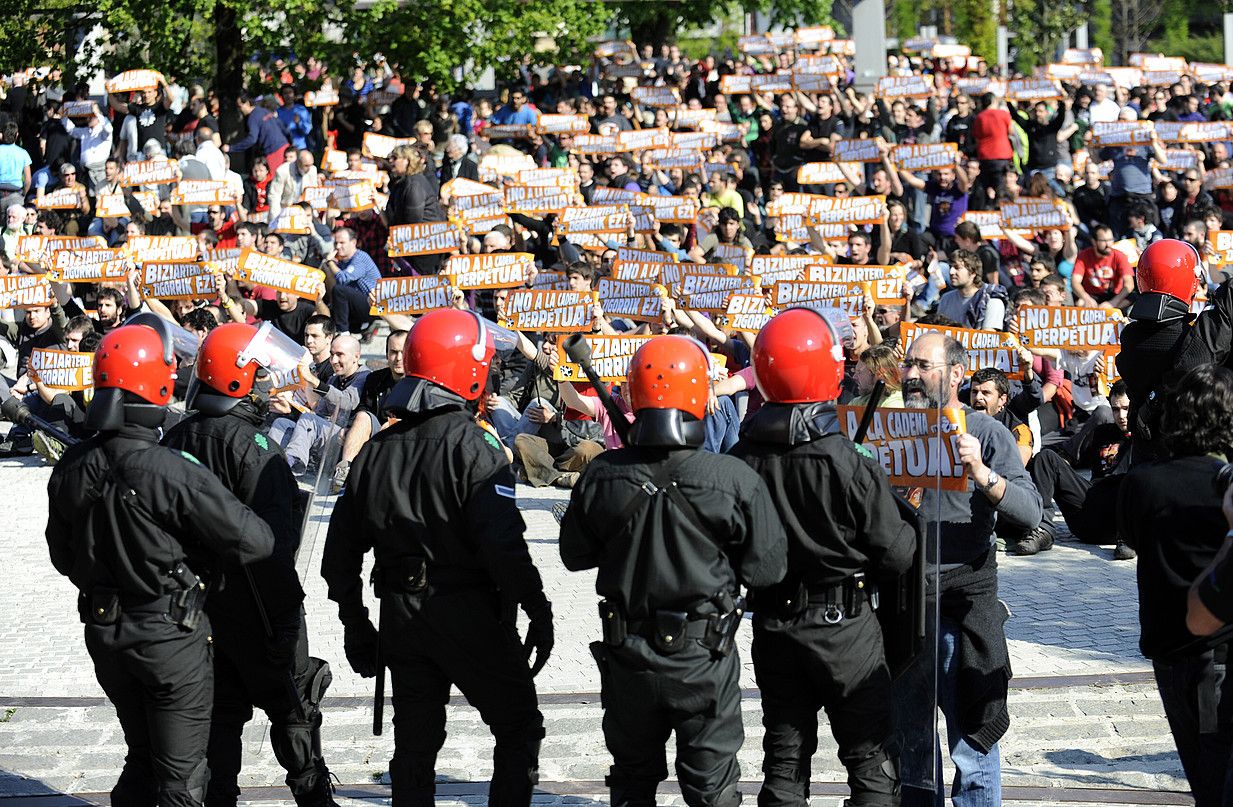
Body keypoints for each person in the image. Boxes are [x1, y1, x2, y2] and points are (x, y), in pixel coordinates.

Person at [321, 308, 552, 807]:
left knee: (415, 749)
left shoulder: (376, 450)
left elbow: (337, 558)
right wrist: (536, 606)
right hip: (469, 613)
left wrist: (356, 623)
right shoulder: (477, 447)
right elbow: (502, 544)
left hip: (401, 618)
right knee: (518, 728)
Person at [44, 319, 276, 807]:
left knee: (141, 757)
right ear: (160, 384)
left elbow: (62, 557)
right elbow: (255, 540)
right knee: (181, 779)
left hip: (104, 632)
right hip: (169, 635)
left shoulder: (70, 467)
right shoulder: (171, 470)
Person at [559, 335, 788, 807]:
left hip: (628, 654)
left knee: (631, 782)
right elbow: (768, 569)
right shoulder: (731, 478)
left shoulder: (603, 474)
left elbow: (575, 554)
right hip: (703, 654)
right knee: (712, 791)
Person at [730, 309, 917, 807]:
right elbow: (897, 555)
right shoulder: (848, 462)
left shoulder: (736, 458)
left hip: (772, 624)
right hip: (844, 627)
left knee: (784, 762)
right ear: (831, 369)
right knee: (870, 762)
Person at [161, 323, 338, 807]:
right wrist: (285, 622)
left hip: (194, 610)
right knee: (296, 710)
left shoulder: (173, 438)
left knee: (218, 716)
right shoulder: (258, 451)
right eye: (262, 377)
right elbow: (274, 549)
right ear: (240, 380)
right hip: (258, 605)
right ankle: (313, 798)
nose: (270, 387)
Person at [895, 331, 1042, 807]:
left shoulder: (987, 432)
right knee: (911, 751)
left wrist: (982, 473)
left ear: (956, 374)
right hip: (904, 606)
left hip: (963, 606)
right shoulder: (887, 429)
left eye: (924, 365)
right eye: (908, 365)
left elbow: (1030, 512)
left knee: (972, 748)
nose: (912, 375)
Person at [1118, 365, 1233, 807]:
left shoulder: (1143, 482)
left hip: (1171, 653)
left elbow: (1129, 538)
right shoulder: (1225, 483)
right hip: (1218, 654)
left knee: (1203, 778)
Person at [1071, 225, 1135, 309]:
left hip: (1114, 296)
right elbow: (1075, 282)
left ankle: (1111, 312)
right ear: (1094, 241)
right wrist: (1086, 298)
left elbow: (1129, 284)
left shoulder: (1119, 255)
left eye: (1110, 240)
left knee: (1133, 296)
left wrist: (1113, 303)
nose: (1108, 244)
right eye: (1104, 241)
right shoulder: (1083, 255)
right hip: (1092, 295)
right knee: (1080, 302)